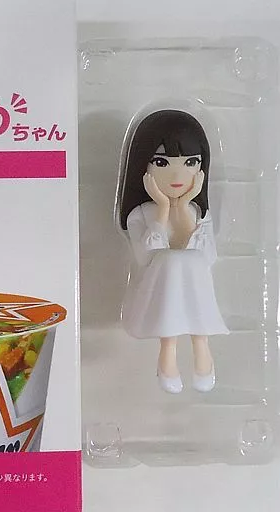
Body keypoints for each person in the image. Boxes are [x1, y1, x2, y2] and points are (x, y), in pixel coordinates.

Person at [118, 110, 228, 394]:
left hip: (192, 285)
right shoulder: (140, 214)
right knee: (170, 261)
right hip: (155, 292)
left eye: (190, 163)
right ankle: (168, 351)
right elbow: (146, 257)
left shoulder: (197, 213)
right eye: (161, 162)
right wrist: (164, 209)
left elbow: (206, 257)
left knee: (189, 261)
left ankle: (201, 345)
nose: (178, 175)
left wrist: (183, 208)